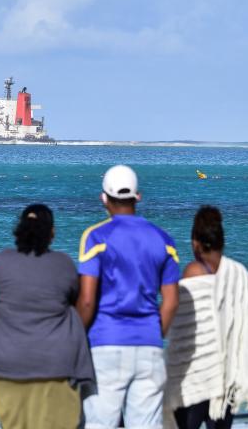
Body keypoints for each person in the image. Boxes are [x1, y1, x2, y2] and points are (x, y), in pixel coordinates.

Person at [165, 206, 248, 429]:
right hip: (227, 378)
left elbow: (180, 329)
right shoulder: (239, 274)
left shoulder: (192, 271)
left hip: (195, 377)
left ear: (195, 242)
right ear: (222, 242)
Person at [75, 164, 180, 429]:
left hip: (105, 343)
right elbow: (171, 301)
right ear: (138, 197)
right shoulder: (163, 240)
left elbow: (87, 300)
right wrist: (156, 334)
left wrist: (75, 342)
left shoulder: (95, 237)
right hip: (149, 344)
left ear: (104, 198)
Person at [0, 204, 95, 429]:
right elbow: (79, 303)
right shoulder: (64, 264)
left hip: (7, 364)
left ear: (19, 229)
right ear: (51, 232)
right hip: (56, 365)